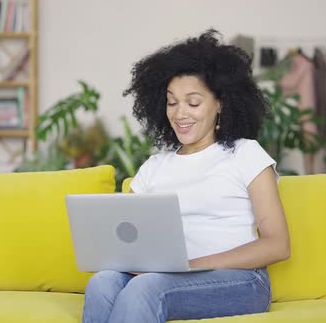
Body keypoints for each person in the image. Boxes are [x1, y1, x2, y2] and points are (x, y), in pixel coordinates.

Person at [82, 29, 291, 323]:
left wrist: (188, 266)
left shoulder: (246, 154)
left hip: (241, 281)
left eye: (193, 103)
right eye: (171, 102)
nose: (180, 114)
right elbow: (125, 242)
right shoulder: (154, 167)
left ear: (220, 104)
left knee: (146, 289)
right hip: (166, 277)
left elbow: (277, 245)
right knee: (101, 283)